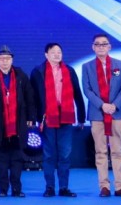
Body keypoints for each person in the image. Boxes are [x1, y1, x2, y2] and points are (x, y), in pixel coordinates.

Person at [81, 34, 121, 198]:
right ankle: (104, 186)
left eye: (104, 44)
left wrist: (114, 105)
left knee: (117, 150)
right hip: (97, 113)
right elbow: (87, 90)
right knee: (100, 151)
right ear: (93, 47)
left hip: (117, 112)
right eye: (98, 44)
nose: (101, 47)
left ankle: (120, 187)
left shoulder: (120, 64)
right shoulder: (87, 66)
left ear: (109, 47)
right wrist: (102, 105)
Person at [0, 46, 35, 198]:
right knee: (2, 159)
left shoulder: (21, 76)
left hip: (18, 124)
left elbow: (30, 98)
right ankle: (3, 189)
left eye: (8, 59)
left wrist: (31, 117)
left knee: (17, 159)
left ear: (12, 60)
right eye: (1, 59)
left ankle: (16, 189)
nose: (5, 62)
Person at [30, 43, 85, 198]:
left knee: (65, 154)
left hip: (66, 117)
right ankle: (49, 187)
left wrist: (81, 117)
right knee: (48, 155)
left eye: (59, 52)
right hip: (47, 118)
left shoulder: (69, 70)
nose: (57, 54)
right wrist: (33, 118)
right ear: (46, 55)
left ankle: (64, 187)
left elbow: (78, 94)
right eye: (53, 52)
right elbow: (32, 97)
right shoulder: (38, 72)